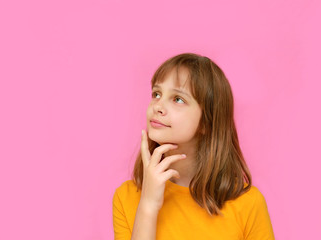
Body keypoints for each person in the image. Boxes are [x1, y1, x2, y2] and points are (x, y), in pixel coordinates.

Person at [113, 53, 275, 240]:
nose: (157, 106)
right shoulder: (126, 197)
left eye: (178, 99)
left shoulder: (248, 204)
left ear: (206, 123)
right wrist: (148, 207)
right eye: (156, 94)